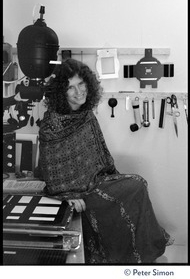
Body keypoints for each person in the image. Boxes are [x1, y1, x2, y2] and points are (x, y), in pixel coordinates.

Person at [39, 58, 173, 264]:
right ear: (61, 93)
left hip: (97, 180)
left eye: (81, 84)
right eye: (70, 88)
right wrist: (67, 195)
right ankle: (135, 255)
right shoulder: (51, 125)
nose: (78, 91)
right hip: (74, 194)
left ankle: (140, 254)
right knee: (136, 186)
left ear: (88, 84)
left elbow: (100, 152)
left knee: (137, 185)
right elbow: (50, 170)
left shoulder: (86, 115)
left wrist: (111, 176)